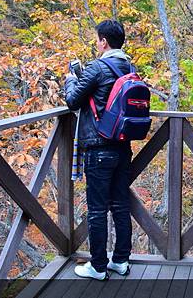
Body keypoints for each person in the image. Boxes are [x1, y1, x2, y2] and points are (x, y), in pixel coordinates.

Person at [65, 20, 133, 280]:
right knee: (120, 206)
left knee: (96, 209)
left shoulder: (97, 67)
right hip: (122, 147)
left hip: (98, 148)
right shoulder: (128, 67)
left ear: (104, 41)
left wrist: (71, 79)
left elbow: (73, 101)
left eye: (97, 40)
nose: (96, 44)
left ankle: (98, 266)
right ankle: (120, 261)